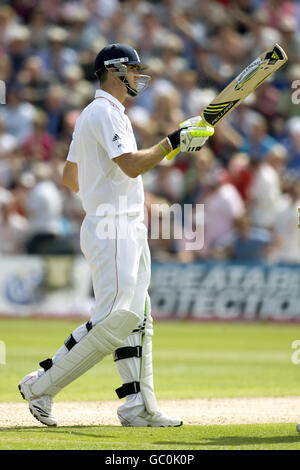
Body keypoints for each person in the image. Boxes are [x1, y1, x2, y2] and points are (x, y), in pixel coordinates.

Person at [18, 43, 214, 427]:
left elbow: (70, 177)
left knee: (138, 320)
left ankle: (139, 408)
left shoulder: (101, 114)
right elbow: (129, 165)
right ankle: (40, 386)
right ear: (114, 71)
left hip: (122, 224)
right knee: (116, 316)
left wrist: (103, 189)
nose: (139, 76)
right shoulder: (104, 112)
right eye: (134, 69)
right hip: (113, 226)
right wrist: (174, 141)